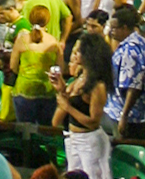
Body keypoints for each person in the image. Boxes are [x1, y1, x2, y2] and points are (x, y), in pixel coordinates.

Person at [54, 31, 112, 179]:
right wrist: (61, 88)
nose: (75, 55)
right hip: (73, 138)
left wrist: (68, 108)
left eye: (79, 51)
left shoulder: (97, 86)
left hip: (90, 141)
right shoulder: (80, 76)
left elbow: (93, 121)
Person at [102, 5, 145, 138]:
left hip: (129, 116)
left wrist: (124, 115)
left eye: (114, 28)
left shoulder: (130, 51)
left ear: (124, 28)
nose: (111, 32)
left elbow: (133, 87)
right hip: (138, 113)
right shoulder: (142, 41)